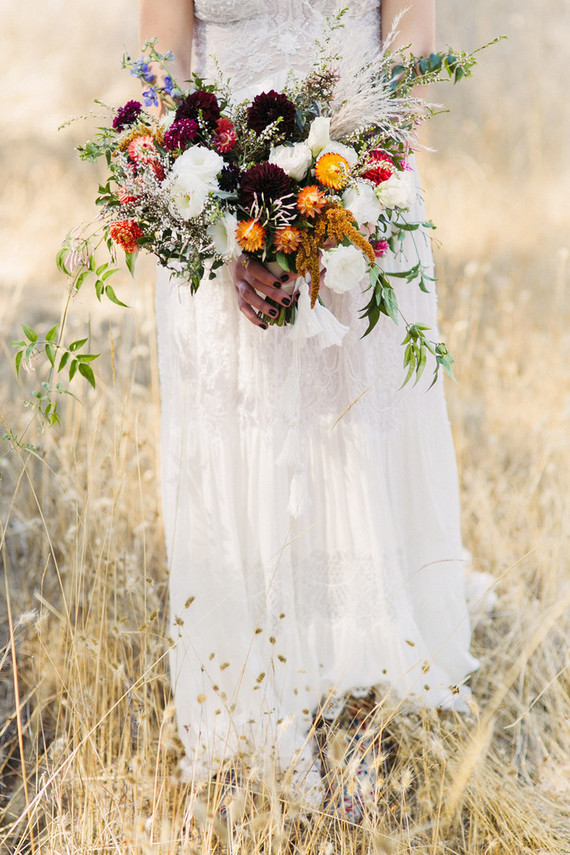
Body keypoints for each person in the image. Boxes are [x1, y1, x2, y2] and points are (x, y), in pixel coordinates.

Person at [139, 0, 479, 809]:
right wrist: (228, 236)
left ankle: (356, 718)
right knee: (238, 450)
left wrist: (335, 219)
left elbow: (410, 55)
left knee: (356, 448)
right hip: (216, 222)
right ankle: (245, 729)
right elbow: (161, 71)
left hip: (364, 211)